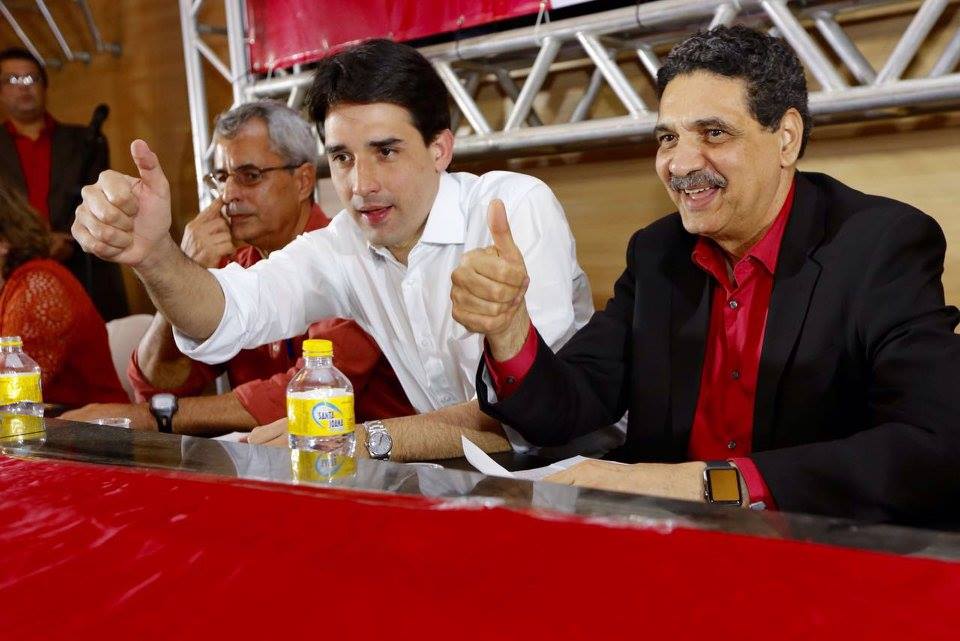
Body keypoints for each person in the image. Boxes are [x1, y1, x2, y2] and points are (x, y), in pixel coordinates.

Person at [455, 26, 960, 526]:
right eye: (668, 138)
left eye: (713, 133)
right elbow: (566, 407)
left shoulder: (881, 244)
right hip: (667, 545)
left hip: (820, 549)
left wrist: (710, 483)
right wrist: (508, 329)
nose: (679, 164)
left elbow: (932, 446)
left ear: (786, 139)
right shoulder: (656, 253)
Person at [72, 39, 604, 461]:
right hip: (458, 481)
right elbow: (228, 313)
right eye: (343, 158)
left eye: (386, 151)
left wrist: (362, 439)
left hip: (579, 475)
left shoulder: (512, 207)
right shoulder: (346, 241)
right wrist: (155, 255)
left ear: (440, 148)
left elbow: (530, 416)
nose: (361, 185)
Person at [61, 100, 415, 434]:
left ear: (303, 180)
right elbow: (157, 383)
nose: (229, 194)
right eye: (221, 177)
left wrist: (150, 418)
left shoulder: (353, 255)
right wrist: (178, 267)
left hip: (375, 466)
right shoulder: (233, 262)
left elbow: (308, 396)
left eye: (249, 175)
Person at [0, 47, 128, 322]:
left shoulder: (84, 141)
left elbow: (98, 197)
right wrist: (29, 245)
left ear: (45, 87)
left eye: (31, 78)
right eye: (13, 79)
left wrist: (67, 239)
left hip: (81, 266)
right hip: (12, 272)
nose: (24, 87)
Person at [0, 179, 127, 406]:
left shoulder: (39, 286)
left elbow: (11, 393)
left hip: (94, 427)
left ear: (3, 242)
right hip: (39, 426)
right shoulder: (11, 288)